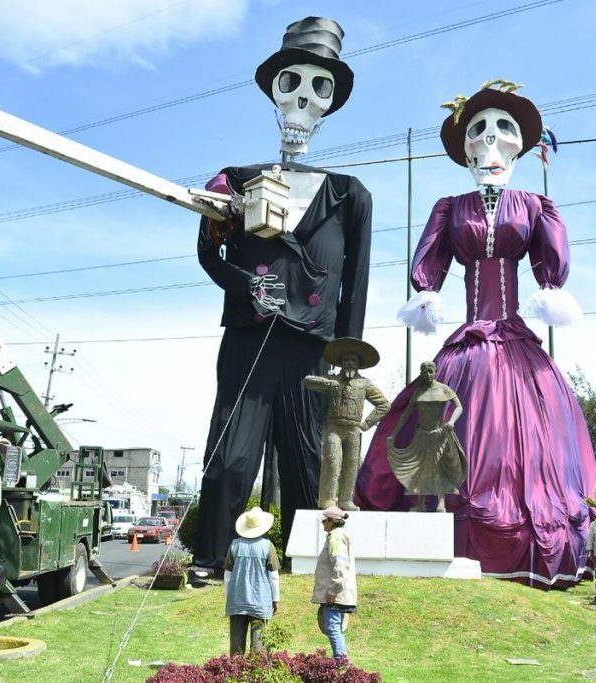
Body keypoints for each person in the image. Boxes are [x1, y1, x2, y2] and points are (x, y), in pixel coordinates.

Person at [354, 81, 596, 588]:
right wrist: (427, 291)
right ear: (463, 147)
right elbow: (431, 262)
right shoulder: (451, 206)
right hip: (467, 342)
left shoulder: (534, 205)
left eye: (502, 129)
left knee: (534, 438)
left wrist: (551, 286)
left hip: (516, 341)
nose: (489, 139)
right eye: (477, 130)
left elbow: (550, 262)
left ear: (520, 145)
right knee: (430, 418)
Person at [193, 16, 373, 570]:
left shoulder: (350, 195)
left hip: (314, 349)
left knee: (313, 457)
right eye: (292, 82)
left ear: (331, 101)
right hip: (250, 336)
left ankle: (309, 559)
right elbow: (208, 254)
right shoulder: (235, 178)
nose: (304, 99)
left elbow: (357, 283)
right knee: (230, 454)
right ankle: (208, 556)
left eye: (320, 86)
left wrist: (348, 357)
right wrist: (245, 285)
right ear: (275, 89)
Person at [303, 338, 390, 510]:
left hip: (353, 429)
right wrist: (328, 383)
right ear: (341, 363)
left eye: (353, 361)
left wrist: (366, 424)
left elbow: (384, 404)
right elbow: (307, 381)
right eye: (346, 360)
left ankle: (346, 500)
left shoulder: (364, 383)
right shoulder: (333, 380)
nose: (349, 363)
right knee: (333, 462)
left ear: (358, 365)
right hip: (333, 428)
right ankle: (328, 499)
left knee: (351, 465)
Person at [385, 361, 467, 512]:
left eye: (430, 371)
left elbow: (459, 407)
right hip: (422, 435)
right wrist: (393, 434)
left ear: (436, 372)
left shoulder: (444, 389)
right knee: (421, 467)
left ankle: (441, 502)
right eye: (425, 372)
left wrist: (452, 421)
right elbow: (405, 415)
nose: (428, 374)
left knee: (438, 467)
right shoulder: (418, 392)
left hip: (439, 434)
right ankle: (420, 503)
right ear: (421, 374)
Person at [224, 506, 280, 655]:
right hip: (260, 600)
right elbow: (273, 576)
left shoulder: (234, 545)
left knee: (236, 642)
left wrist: (228, 596)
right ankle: (256, 671)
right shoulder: (268, 546)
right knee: (259, 641)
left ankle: (235, 671)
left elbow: (227, 575)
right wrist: (275, 599)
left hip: (237, 599)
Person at [312, 506, 357, 662]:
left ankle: (342, 664)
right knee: (335, 628)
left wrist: (332, 591)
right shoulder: (337, 535)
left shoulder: (336, 536)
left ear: (331, 521)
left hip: (335, 594)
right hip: (336, 592)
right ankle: (341, 663)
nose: (323, 523)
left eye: (325, 520)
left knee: (332, 628)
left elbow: (340, 566)